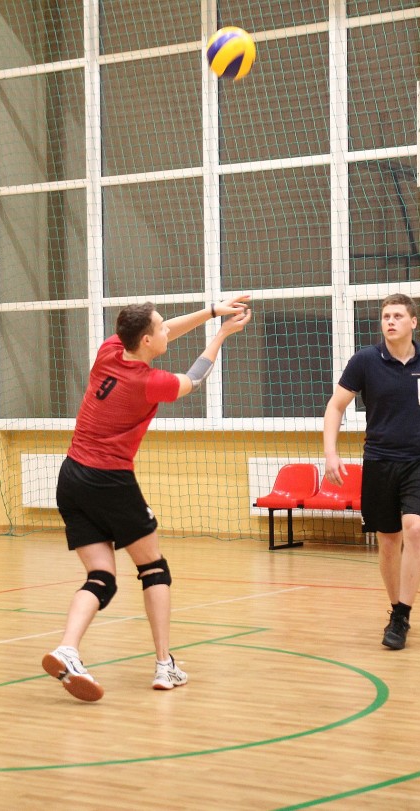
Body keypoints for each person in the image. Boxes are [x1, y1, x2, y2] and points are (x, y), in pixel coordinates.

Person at [43, 296, 252, 702]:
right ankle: (163, 665)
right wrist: (221, 335)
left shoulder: (110, 350)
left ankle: (67, 649)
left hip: (71, 478)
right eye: (160, 327)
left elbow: (169, 329)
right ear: (145, 340)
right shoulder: (148, 381)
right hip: (109, 481)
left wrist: (212, 312)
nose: (166, 329)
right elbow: (194, 378)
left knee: (101, 578)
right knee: (154, 568)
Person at [323, 293, 420, 650]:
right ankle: (395, 608)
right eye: (386, 316)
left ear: (413, 322)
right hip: (379, 461)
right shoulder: (364, 361)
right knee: (388, 541)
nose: (390, 321)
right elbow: (336, 406)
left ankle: (402, 614)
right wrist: (331, 453)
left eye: (398, 316)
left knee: (415, 528)